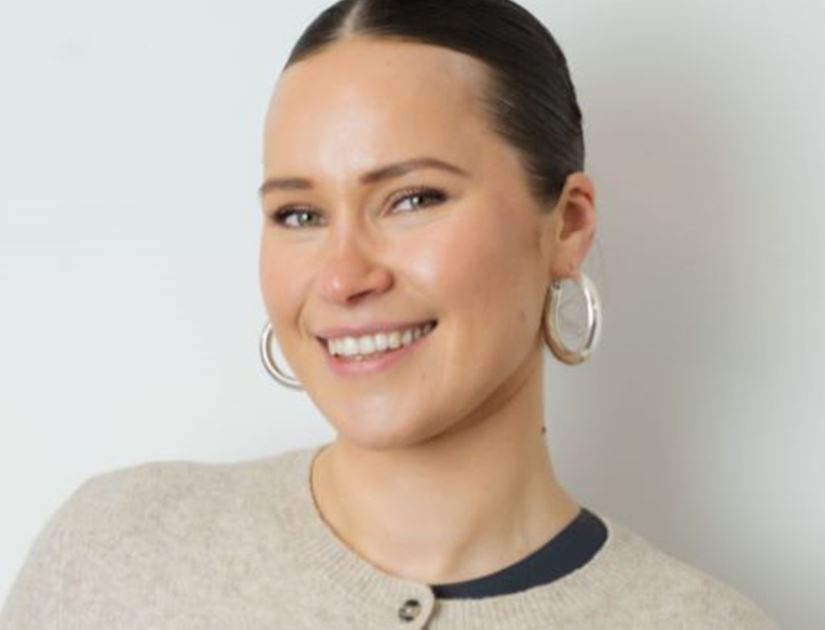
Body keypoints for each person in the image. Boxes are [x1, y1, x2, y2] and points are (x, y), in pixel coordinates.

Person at [1, 1, 780, 628]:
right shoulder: (116, 554)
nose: (343, 277)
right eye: (300, 214)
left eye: (413, 199)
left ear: (568, 226)